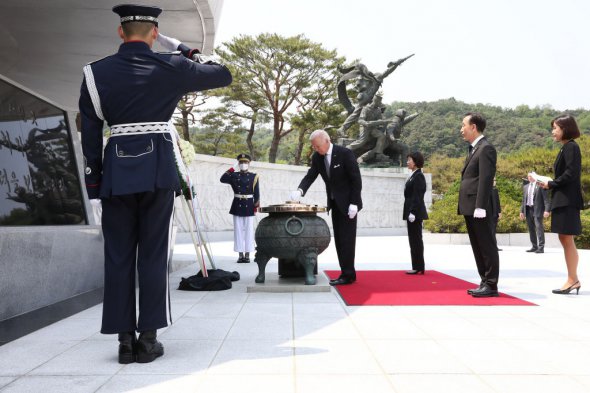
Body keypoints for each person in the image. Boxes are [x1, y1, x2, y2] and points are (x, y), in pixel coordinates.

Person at [79, 4, 232, 364]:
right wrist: (184, 49)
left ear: (120, 32)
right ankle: (148, 340)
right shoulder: (173, 66)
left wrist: (95, 184)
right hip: (158, 172)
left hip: (116, 174)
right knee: (152, 254)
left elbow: (89, 133)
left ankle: (123, 342)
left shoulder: (93, 73)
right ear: (154, 33)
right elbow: (222, 73)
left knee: (118, 257)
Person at [290, 129, 363, 285]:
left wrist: (354, 203)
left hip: (349, 205)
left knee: (347, 240)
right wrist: (300, 190)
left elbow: (356, 180)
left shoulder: (345, 153)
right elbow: (311, 175)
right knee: (339, 239)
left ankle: (348, 274)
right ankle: (346, 273)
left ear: (327, 141)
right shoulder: (318, 157)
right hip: (334, 204)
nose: (316, 149)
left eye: (317, 146)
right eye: (314, 147)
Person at [538, 114, 583, 295]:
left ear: (565, 129)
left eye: (555, 128)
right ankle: (573, 278)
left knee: (566, 239)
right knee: (565, 239)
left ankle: (573, 279)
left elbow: (571, 174)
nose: (553, 131)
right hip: (562, 199)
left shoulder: (571, 147)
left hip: (567, 200)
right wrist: (549, 183)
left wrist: (551, 183)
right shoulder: (565, 148)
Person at [457, 113, 500, 298]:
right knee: (477, 245)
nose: (461, 129)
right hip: (471, 205)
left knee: (486, 245)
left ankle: (491, 284)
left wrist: (480, 206)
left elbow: (485, 179)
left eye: (463, 125)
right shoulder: (474, 149)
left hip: (479, 207)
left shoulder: (486, 148)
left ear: (473, 127)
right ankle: (484, 281)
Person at [220, 153, 260, 263]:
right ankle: (240, 254)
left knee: (248, 231)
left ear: (249, 163)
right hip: (237, 205)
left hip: (249, 205)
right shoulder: (234, 175)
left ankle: (247, 254)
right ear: (239, 163)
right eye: (241, 162)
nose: (243, 164)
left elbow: (257, 192)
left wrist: (256, 204)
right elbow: (222, 179)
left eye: (245, 162)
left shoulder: (253, 176)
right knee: (238, 231)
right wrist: (232, 168)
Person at [403, 151, 428, 274]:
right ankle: (416, 266)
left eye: (409, 160)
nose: (407, 162)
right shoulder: (413, 175)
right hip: (411, 211)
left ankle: (419, 267)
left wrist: (412, 211)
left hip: (415, 213)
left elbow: (417, 196)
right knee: (413, 240)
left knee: (416, 239)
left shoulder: (419, 176)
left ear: (416, 162)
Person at [520, 173, 550, 253]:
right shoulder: (525, 187)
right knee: (531, 229)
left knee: (539, 228)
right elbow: (523, 200)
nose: (529, 177)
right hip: (528, 209)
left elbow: (546, 199)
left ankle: (541, 247)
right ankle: (534, 246)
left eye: (531, 176)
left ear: (534, 177)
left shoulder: (540, 185)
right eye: (528, 176)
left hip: (538, 209)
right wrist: (522, 211)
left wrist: (547, 210)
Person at [490, 178, 502, 251]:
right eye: (493, 180)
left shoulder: (495, 190)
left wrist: (499, 212)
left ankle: (494, 246)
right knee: (489, 231)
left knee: (493, 231)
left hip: (494, 214)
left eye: (495, 180)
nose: (495, 182)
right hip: (488, 214)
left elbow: (497, 202)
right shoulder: (485, 190)